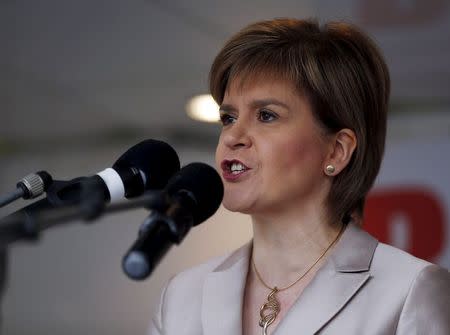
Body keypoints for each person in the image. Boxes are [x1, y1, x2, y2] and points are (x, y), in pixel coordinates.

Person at [149, 18, 450, 334]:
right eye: (228, 117)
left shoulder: (410, 293)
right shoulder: (182, 297)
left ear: (336, 151)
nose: (232, 136)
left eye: (266, 115)